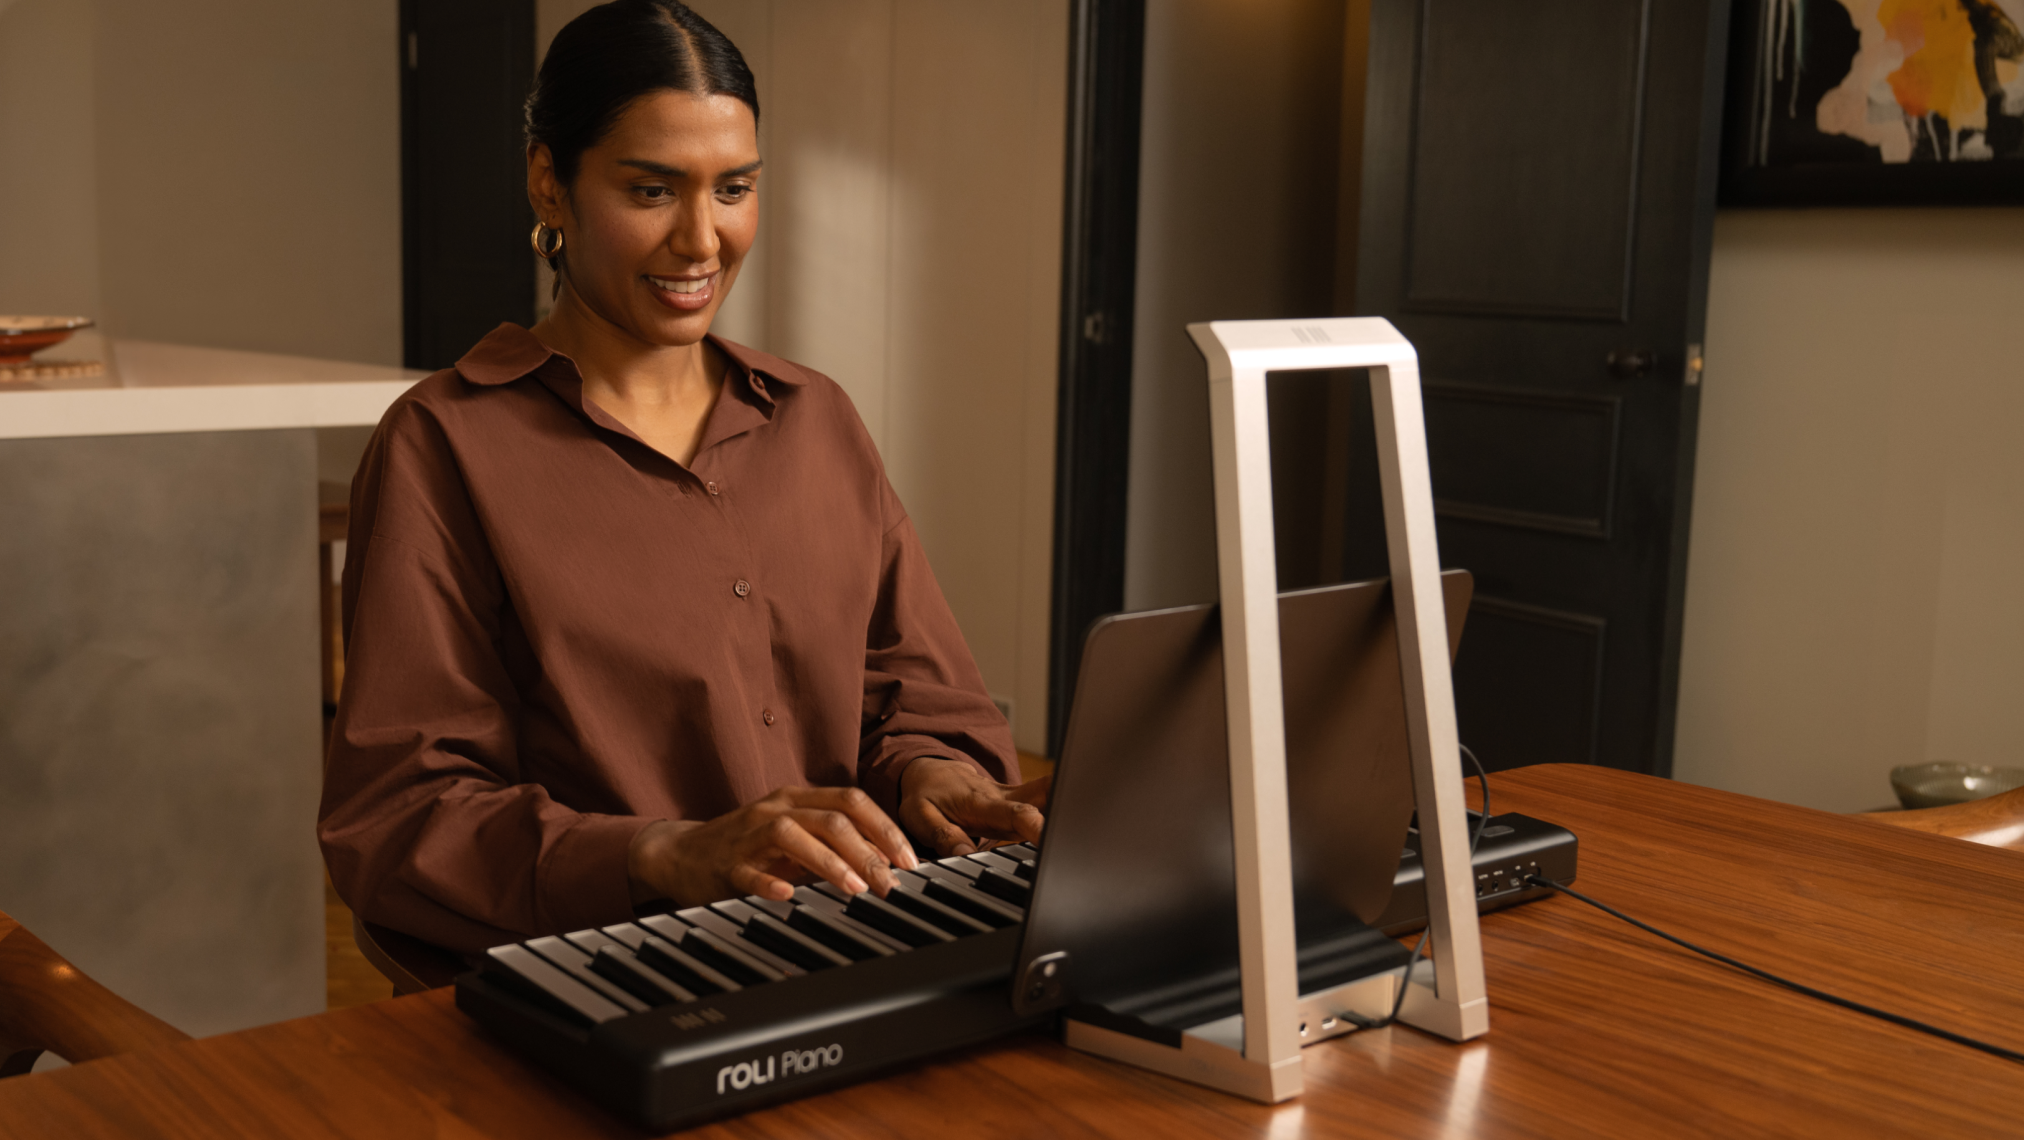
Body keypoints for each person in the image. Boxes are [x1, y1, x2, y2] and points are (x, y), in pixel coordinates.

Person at [319, 0, 1046, 955]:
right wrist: (665, 854)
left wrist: (935, 773)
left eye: (734, 188)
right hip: (611, 978)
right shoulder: (445, 447)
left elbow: (914, 694)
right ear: (550, 186)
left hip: (855, 946)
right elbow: (400, 817)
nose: (703, 240)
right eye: (653, 191)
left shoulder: (814, 419)